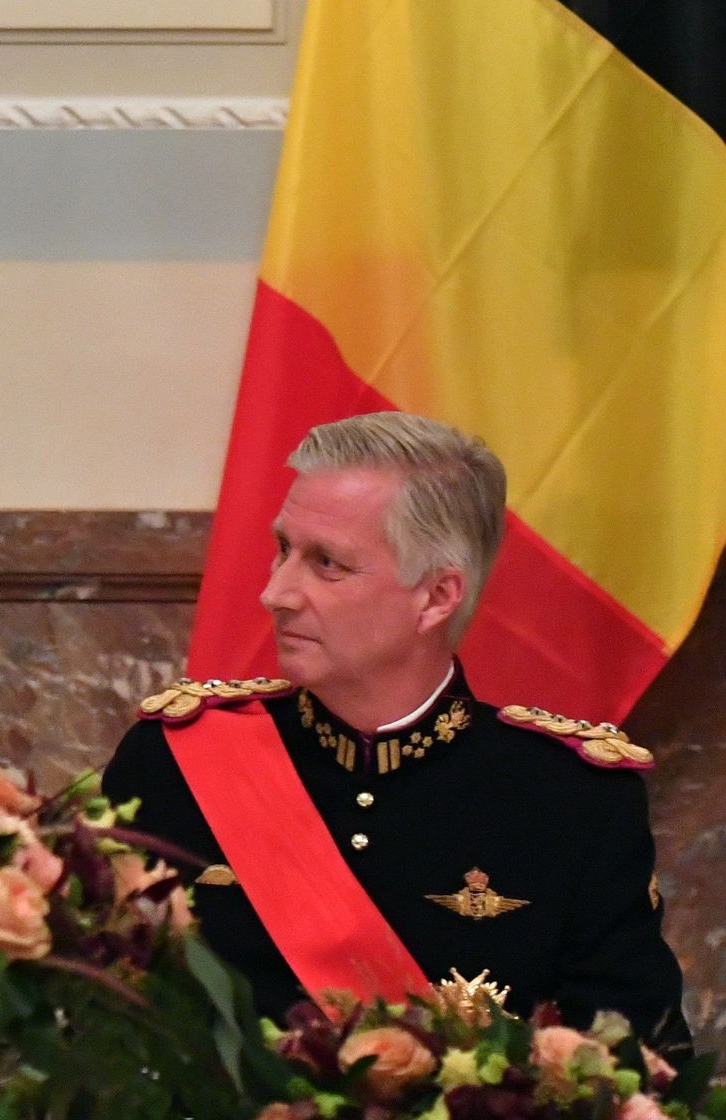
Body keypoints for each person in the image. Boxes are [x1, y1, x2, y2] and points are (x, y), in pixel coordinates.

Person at [104, 411, 691, 1054]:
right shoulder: (171, 762)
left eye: (327, 563)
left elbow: (636, 1067)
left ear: (436, 598)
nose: (276, 592)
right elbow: (96, 1029)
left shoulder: (572, 800)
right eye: (283, 550)